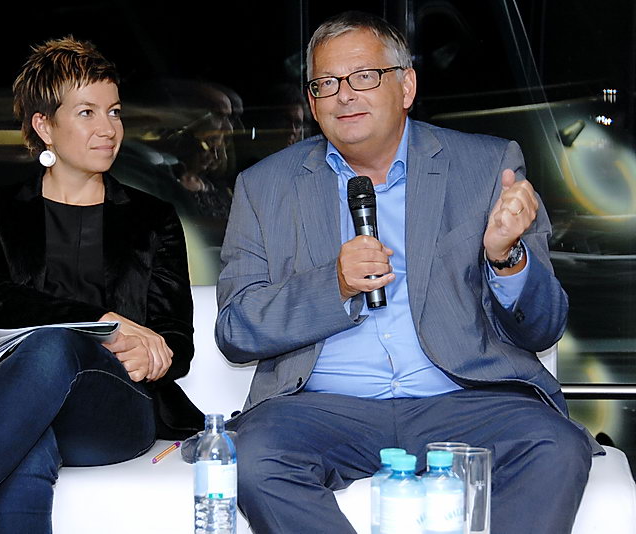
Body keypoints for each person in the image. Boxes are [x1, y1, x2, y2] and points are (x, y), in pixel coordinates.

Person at [214, 11, 599, 534]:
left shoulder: (488, 166)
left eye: (363, 77)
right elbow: (236, 330)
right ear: (312, 101)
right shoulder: (265, 186)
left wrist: (505, 257)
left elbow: (544, 327)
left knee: (555, 445)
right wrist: (334, 285)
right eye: (326, 84)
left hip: (463, 399)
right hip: (322, 409)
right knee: (250, 460)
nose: (344, 95)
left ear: (406, 86)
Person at [0, 36, 203, 534]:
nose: (109, 128)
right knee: (24, 430)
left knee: (50, 350)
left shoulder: (152, 218)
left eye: (114, 111)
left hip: (109, 403)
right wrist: (102, 321)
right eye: (87, 113)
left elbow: (175, 337)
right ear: (44, 125)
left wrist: (155, 355)